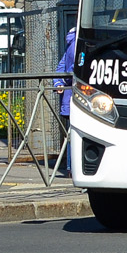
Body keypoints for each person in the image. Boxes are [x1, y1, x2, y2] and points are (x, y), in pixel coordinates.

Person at [52, 26, 77, 177]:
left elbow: (60, 68)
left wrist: (58, 83)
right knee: (76, 134)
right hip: (80, 97)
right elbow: (75, 68)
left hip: (69, 98)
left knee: (71, 135)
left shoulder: (71, 41)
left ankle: (70, 168)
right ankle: (73, 168)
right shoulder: (78, 42)